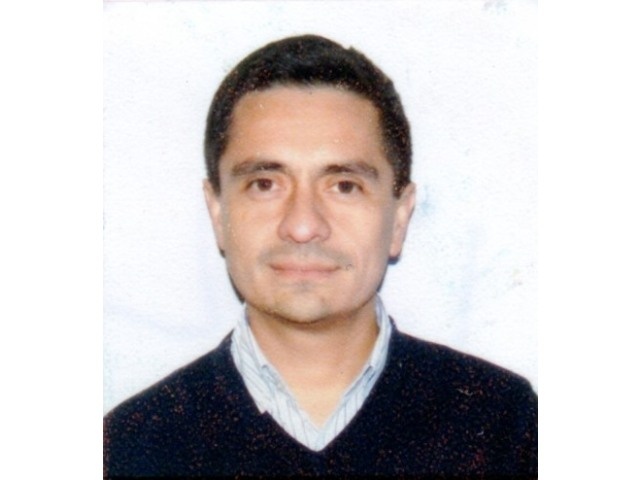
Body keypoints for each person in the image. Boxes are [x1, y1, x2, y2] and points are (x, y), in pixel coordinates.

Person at [103, 34, 537, 478]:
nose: (303, 225)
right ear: (217, 212)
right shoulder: (129, 448)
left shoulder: (507, 426)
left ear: (400, 217)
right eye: (265, 184)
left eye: (344, 186)